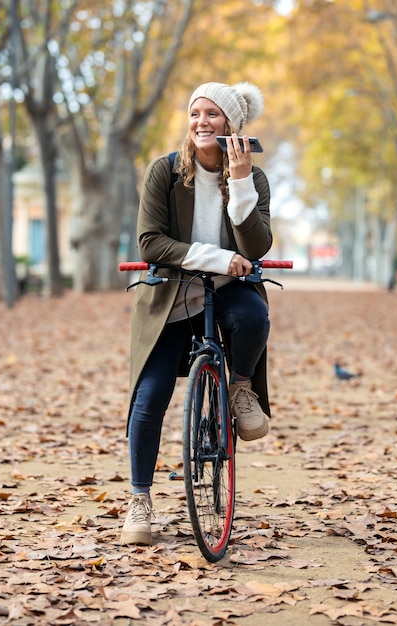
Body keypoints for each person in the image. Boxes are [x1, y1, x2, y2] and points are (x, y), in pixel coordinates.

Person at [120, 81, 273, 546]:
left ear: (231, 125)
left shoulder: (255, 177)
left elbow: (257, 246)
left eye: (213, 114)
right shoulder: (164, 173)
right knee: (148, 400)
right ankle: (140, 501)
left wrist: (242, 181)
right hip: (171, 294)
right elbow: (150, 242)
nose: (202, 122)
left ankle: (240, 385)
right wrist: (216, 257)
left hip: (228, 291)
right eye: (195, 113)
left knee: (254, 317)